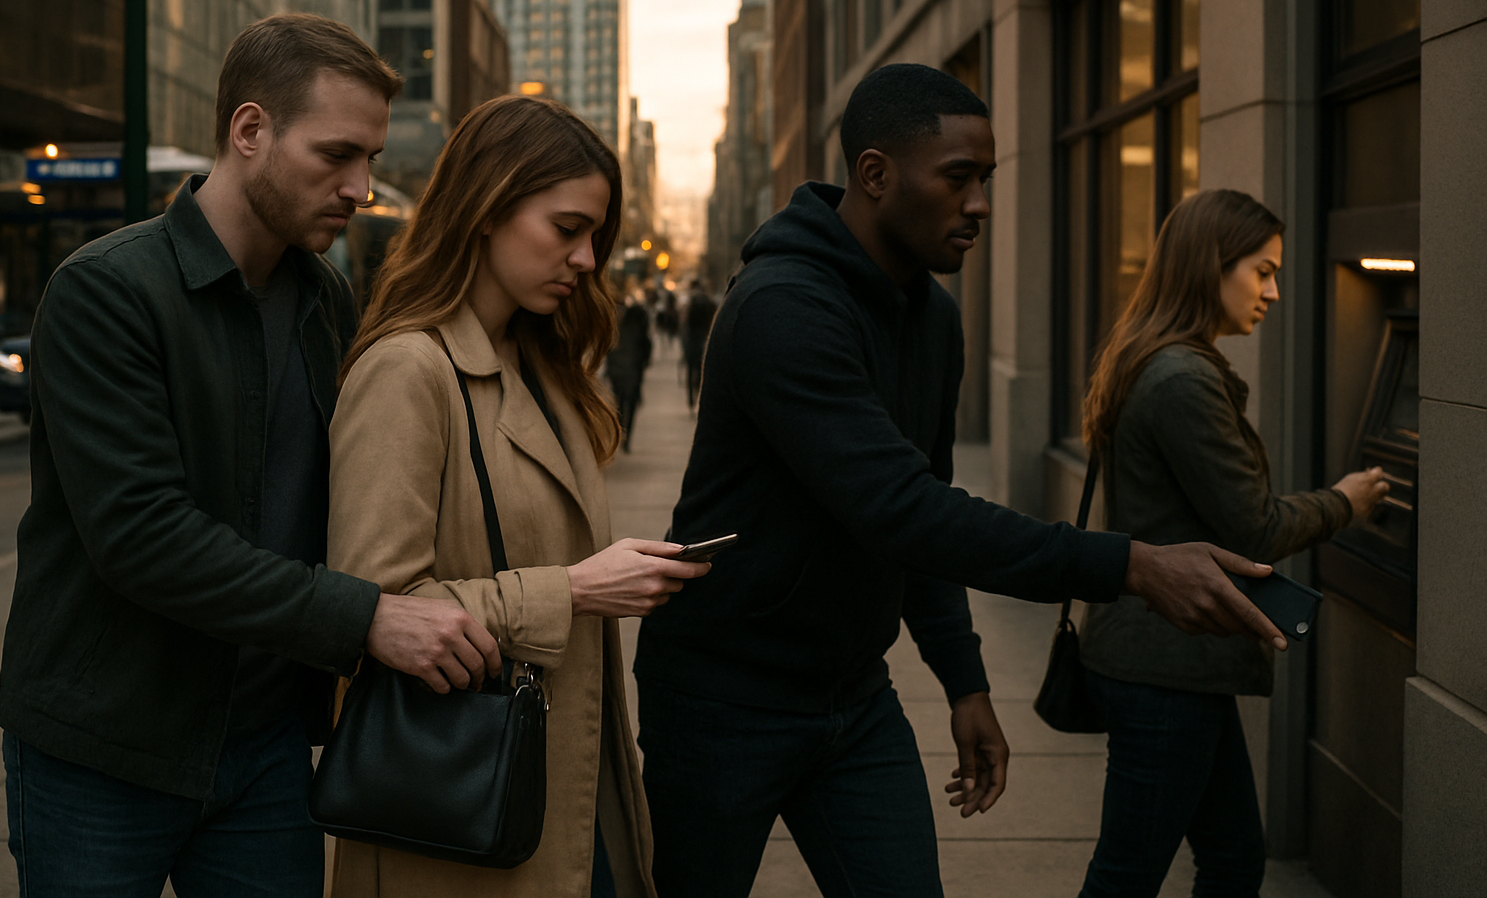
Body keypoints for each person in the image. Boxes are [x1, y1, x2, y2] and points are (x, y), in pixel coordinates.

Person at [633, 63, 1289, 898]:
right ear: (875, 175)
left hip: (853, 699)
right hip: (724, 700)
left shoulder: (934, 317)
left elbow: (925, 508)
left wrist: (966, 684)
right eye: (958, 179)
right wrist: (1129, 564)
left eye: (987, 179)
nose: (979, 203)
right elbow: (904, 511)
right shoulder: (782, 308)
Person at [0, 14, 502, 897]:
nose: (362, 187)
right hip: (104, 744)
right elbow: (144, 538)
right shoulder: (107, 291)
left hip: (264, 748)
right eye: (337, 154)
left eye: (372, 160)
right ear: (250, 131)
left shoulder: (324, 298)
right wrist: (365, 619)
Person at [325, 95, 707, 898]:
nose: (588, 259)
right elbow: (373, 609)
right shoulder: (409, 370)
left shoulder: (546, 366)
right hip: (457, 811)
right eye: (566, 230)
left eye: (596, 236)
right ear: (487, 208)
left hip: (559, 793)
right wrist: (575, 590)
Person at [1075, 190, 1388, 897]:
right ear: (1210, 265)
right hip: (1166, 667)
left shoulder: (1152, 356)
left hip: (1171, 657)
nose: (1274, 291)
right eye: (1263, 270)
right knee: (1130, 874)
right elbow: (1257, 527)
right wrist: (1347, 501)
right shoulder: (1183, 377)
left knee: (1234, 858)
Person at [604, 292, 653, 450]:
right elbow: (646, 349)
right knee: (630, 404)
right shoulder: (639, 328)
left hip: (617, 369)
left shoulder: (616, 326)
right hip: (633, 371)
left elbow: (608, 349)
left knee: (618, 401)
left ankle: (619, 431)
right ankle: (627, 436)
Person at [679, 278, 717, 410]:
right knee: (702, 371)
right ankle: (700, 399)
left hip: (692, 341)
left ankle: (690, 400)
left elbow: (684, 323)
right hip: (705, 340)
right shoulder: (710, 302)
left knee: (690, 371)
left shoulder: (690, 302)